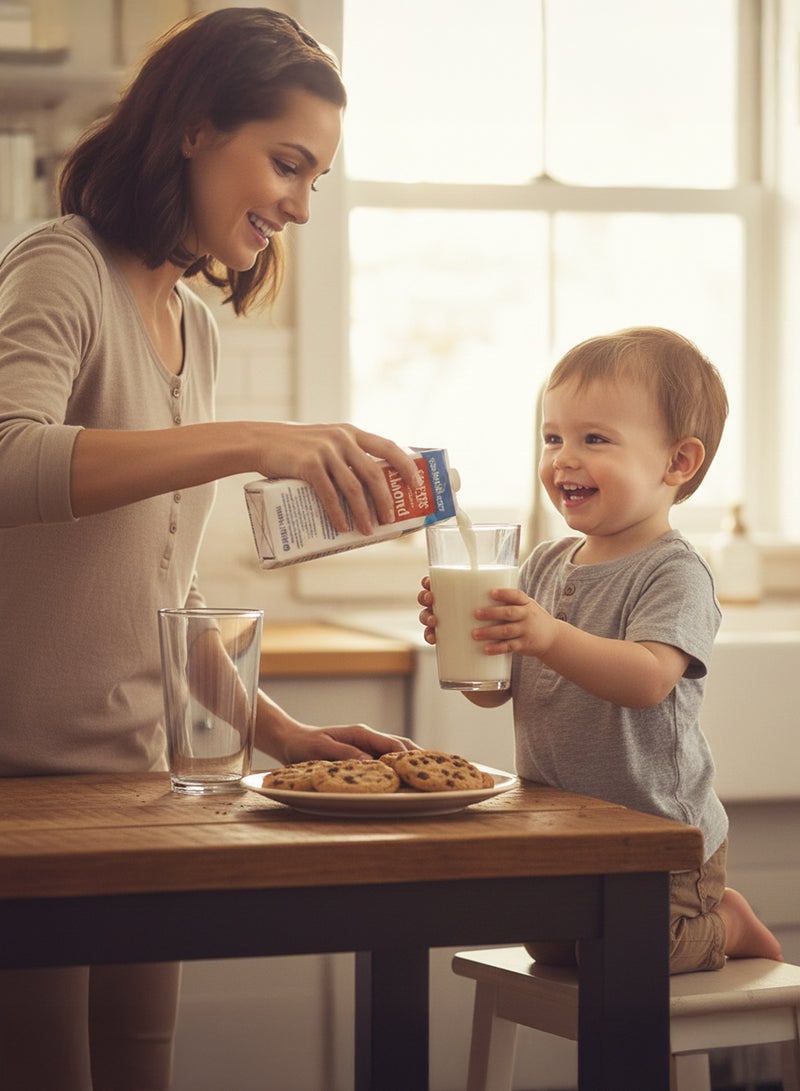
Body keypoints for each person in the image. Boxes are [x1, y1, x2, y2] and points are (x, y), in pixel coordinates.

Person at [0, 8, 419, 1090]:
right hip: (24, 799)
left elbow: (156, 594)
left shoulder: (199, 327)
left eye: (316, 179)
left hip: (140, 791)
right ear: (193, 129)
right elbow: (7, 458)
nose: (300, 204)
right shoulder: (62, 265)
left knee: (141, 1069)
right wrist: (250, 440)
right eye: (286, 163)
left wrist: (278, 731)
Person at [418, 326, 783, 974]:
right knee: (553, 947)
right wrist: (469, 644)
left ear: (678, 462)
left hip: (659, 835)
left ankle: (724, 917)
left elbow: (648, 678)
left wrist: (549, 635)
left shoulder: (673, 571)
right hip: (562, 829)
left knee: (638, 951)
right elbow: (496, 687)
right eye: (553, 436)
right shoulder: (541, 562)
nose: (564, 458)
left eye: (595, 439)